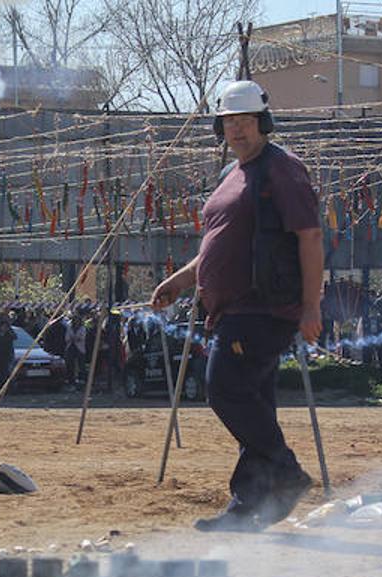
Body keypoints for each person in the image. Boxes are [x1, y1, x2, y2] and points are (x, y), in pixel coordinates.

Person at [151, 80, 323, 532]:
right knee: (254, 405)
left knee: (224, 389)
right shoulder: (234, 174)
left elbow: (310, 237)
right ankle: (249, 506)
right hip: (233, 308)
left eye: (246, 121)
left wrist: (311, 306)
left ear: (263, 123)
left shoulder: (281, 170)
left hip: (264, 307)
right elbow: (216, 247)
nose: (238, 130)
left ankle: (285, 473)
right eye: (230, 122)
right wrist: (182, 280)